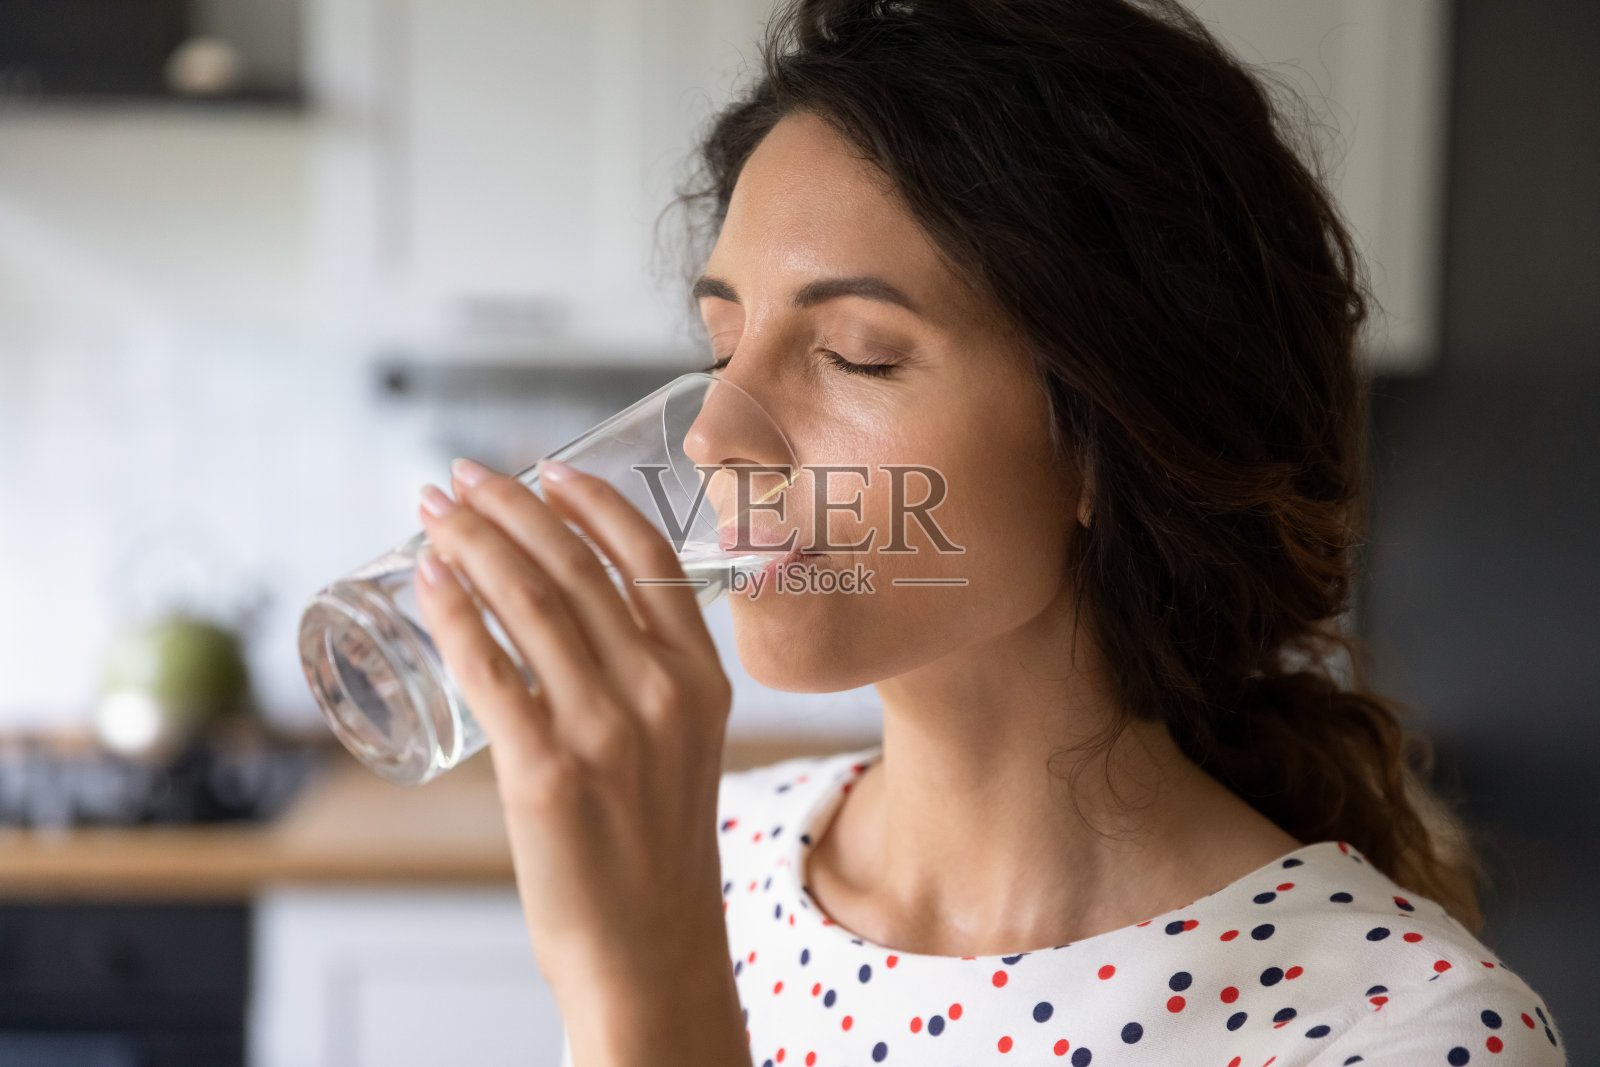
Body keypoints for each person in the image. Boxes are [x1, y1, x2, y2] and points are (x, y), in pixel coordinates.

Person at [410, 0, 1567, 1064]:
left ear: (1107, 440)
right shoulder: (707, 848)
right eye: (722, 345)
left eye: (857, 353)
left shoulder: (1403, 1027)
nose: (713, 434)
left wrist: (644, 988)